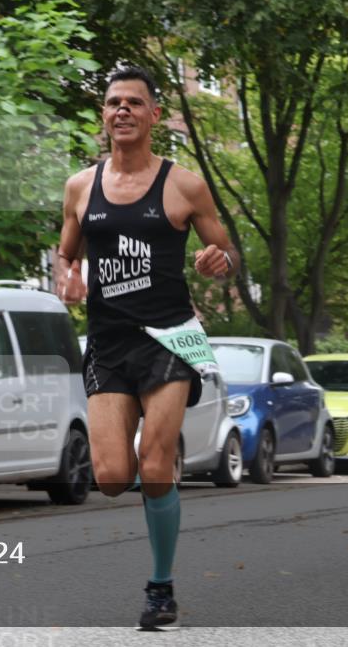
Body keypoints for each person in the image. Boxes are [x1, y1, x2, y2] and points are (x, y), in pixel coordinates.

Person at [55, 66, 240, 631]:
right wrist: (67, 278)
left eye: (135, 102)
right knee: (111, 476)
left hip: (169, 337)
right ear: (104, 117)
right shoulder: (80, 188)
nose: (123, 111)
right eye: (113, 103)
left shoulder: (183, 185)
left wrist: (220, 260)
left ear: (154, 115)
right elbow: (65, 255)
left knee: (154, 466)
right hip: (110, 343)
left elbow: (224, 248)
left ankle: (161, 590)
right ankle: (154, 464)